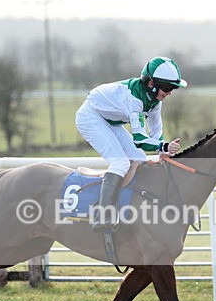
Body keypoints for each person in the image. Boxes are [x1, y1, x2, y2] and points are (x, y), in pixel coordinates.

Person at [75, 56, 186, 232]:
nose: (170, 92)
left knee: (140, 161)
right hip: (90, 117)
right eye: (167, 88)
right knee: (120, 163)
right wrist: (163, 147)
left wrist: (162, 151)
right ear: (151, 84)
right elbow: (140, 139)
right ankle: (103, 215)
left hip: (110, 121)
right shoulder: (135, 98)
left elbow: (156, 130)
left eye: (173, 88)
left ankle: (133, 210)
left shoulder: (154, 100)